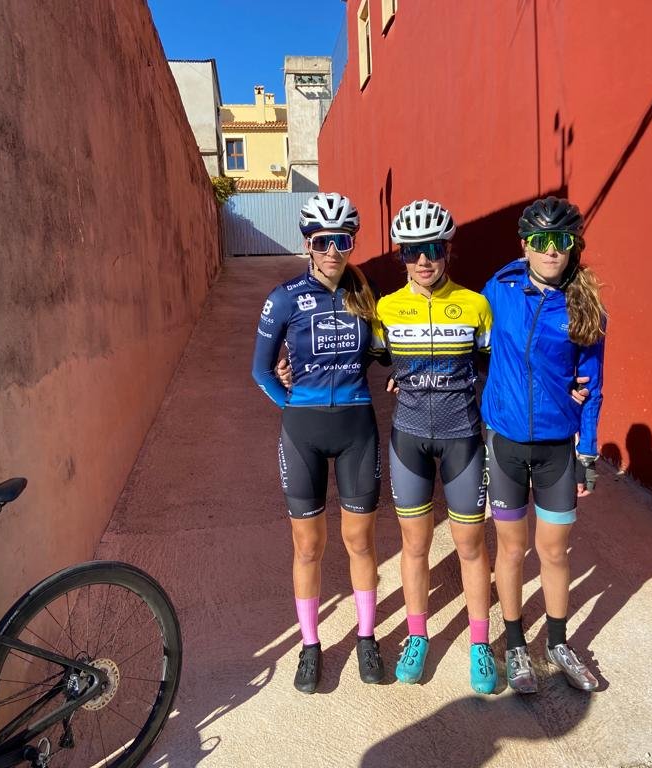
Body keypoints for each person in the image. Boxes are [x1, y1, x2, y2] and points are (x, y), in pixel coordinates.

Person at [251, 192, 384, 693]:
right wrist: (291, 405)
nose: (332, 250)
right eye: (322, 240)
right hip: (303, 432)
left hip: (357, 430)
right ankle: (310, 646)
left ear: (352, 244)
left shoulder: (366, 295)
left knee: (360, 542)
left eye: (342, 241)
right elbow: (261, 370)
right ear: (307, 243)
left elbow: (387, 353)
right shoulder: (284, 297)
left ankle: (366, 637)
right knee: (308, 547)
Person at [481, 196, 606, 694]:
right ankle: (515, 644)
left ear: (575, 245)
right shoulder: (500, 288)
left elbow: (593, 386)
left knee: (553, 551)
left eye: (562, 240)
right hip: (506, 443)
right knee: (512, 550)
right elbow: (463, 337)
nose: (551, 250)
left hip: (556, 447)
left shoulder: (585, 306)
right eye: (541, 240)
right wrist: (406, 370)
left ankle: (557, 643)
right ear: (525, 245)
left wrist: (587, 452)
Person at [373, 199, 498, 694]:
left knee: (470, 545)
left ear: (448, 250)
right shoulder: (386, 308)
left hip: (462, 437)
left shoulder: (475, 304)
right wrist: (290, 369)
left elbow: (498, 365)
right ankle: (418, 635)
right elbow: (365, 359)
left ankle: (481, 644)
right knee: (414, 545)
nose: (423, 260)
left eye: (432, 248)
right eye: (412, 250)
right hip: (409, 438)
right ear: (401, 256)